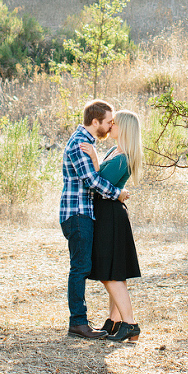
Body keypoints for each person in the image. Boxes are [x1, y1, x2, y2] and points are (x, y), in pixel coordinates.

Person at [60, 99, 129, 340]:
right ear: (95, 121)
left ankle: (82, 321)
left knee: (82, 267)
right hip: (77, 213)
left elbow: (93, 175)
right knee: (80, 268)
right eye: (109, 122)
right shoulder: (80, 143)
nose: (111, 127)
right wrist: (117, 193)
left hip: (83, 212)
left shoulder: (88, 142)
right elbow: (91, 181)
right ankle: (78, 322)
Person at [82, 109, 143, 343]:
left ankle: (130, 324)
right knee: (113, 271)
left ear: (124, 128)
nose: (110, 126)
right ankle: (114, 321)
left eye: (114, 124)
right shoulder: (114, 150)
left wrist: (94, 159)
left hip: (110, 216)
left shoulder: (123, 157)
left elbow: (100, 184)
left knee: (110, 275)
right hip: (107, 213)